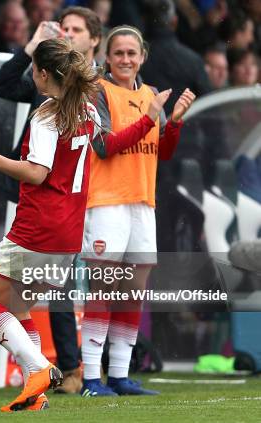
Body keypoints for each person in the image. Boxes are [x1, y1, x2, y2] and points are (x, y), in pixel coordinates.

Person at [0, 37, 101, 412]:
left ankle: (40, 367)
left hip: (38, 226)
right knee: (19, 307)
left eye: (34, 71)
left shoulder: (47, 114)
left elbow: (38, 173)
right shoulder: (87, 110)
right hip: (69, 230)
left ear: (43, 74)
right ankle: (35, 392)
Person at [80, 25, 196, 397]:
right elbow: (102, 146)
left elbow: (162, 152)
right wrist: (149, 118)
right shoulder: (96, 91)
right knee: (104, 288)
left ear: (142, 57)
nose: (126, 60)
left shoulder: (149, 96)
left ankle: (119, 375)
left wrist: (173, 121)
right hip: (107, 202)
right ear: (107, 58)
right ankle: (90, 379)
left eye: (132, 53)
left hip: (143, 203)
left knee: (132, 292)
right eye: (119, 53)